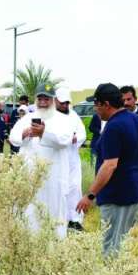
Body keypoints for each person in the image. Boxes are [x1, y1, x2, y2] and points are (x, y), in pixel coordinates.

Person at [76, 83, 138, 255]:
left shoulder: (114, 127)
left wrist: (90, 195)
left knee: (110, 246)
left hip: (117, 196)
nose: (95, 109)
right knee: (121, 241)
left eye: (97, 104)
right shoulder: (136, 119)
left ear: (106, 104)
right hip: (135, 191)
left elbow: (110, 165)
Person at [9, 84, 72, 238]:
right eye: (40, 98)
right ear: (35, 100)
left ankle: (53, 246)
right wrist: (24, 134)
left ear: (53, 100)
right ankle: (31, 244)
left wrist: (44, 133)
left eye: (46, 98)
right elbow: (13, 138)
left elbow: (64, 140)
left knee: (54, 211)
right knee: (30, 210)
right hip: (31, 176)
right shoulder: (26, 118)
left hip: (54, 176)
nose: (43, 102)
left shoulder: (63, 120)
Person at [55, 87, 88, 231]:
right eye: (62, 103)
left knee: (74, 187)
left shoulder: (74, 115)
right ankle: (58, 220)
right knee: (58, 188)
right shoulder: (50, 117)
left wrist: (76, 138)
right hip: (57, 158)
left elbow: (82, 134)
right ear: (55, 101)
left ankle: (74, 220)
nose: (65, 105)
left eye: (67, 103)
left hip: (72, 157)